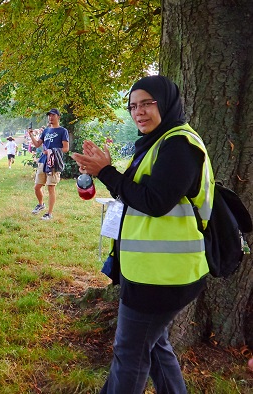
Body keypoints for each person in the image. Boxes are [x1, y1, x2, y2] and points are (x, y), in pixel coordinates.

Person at [72, 75, 213, 394]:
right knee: (155, 345)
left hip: (162, 277)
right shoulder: (158, 143)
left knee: (130, 355)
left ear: (166, 102)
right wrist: (103, 170)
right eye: (133, 106)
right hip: (155, 272)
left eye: (147, 103)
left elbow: (154, 202)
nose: (139, 112)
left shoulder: (179, 144)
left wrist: (106, 172)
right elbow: (139, 195)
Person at [28, 108, 69, 220]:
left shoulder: (63, 131)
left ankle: (49, 213)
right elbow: (37, 144)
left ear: (58, 117)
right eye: (49, 115)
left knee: (51, 187)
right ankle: (41, 204)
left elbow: (65, 148)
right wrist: (31, 135)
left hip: (54, 163)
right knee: (37, 187)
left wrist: (51, 151)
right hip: (43, 161)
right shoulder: (45, 131)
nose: (50, 117)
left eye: (53, 115)